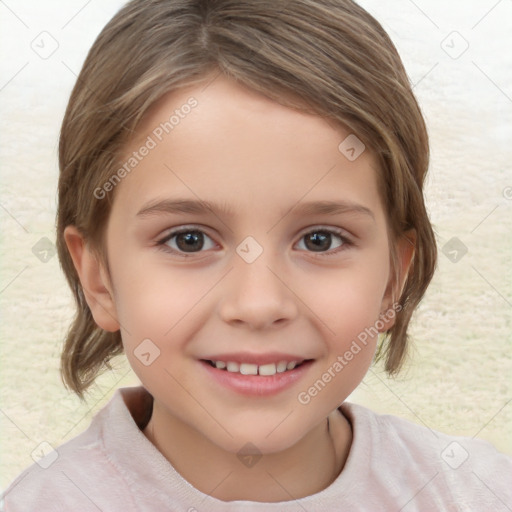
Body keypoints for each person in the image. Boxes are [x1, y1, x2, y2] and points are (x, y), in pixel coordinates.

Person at [2, 0, 511, 510]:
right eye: (189, 240)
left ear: (392, 280)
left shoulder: (475, 493)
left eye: (320, 240)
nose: (259, 303)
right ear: (99, 279)